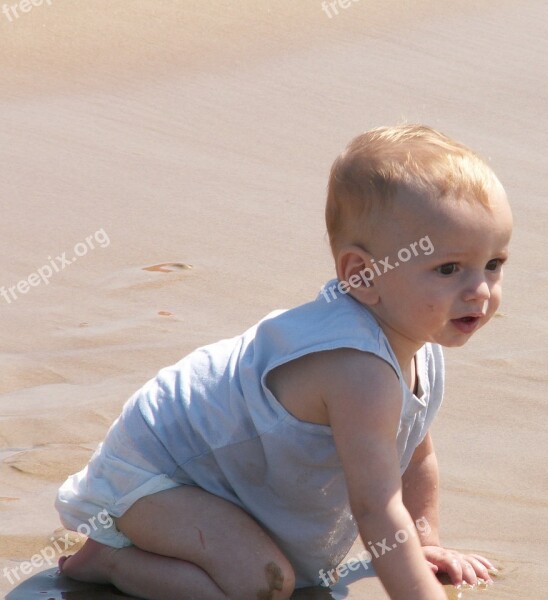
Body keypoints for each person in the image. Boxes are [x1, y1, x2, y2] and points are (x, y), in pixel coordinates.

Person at [55, 124, 513, 599]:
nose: (479, 290)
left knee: (280, 574)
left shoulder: (418, 340)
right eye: (447, 269)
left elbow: (414, 450)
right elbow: (376, 509)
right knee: (264, 586)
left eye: (494, 264)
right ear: (363, 275)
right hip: (162, 472)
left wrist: (423, 542)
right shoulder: (357, 368)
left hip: (226, 479)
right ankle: (112, 559)